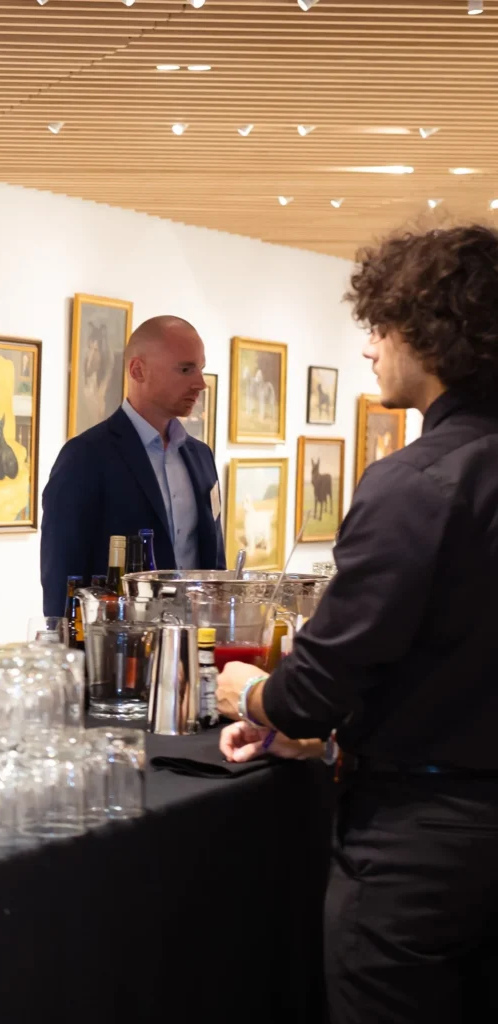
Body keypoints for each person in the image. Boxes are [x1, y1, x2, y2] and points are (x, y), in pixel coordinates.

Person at [216, 224, 498, 1023]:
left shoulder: (417, 483)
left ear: (435, 333)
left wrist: (252, 695)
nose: (370, 346)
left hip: (422, 844)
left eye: (383, 324)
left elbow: (314, 689)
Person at [40, 315, 225, 616]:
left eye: (200, 369)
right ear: (138, 370)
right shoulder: (85, 457)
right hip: (120, 640)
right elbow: (62, 577)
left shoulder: (201, 456)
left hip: (194, 638)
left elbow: (214, 564)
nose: (200, 383)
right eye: (185, 369)